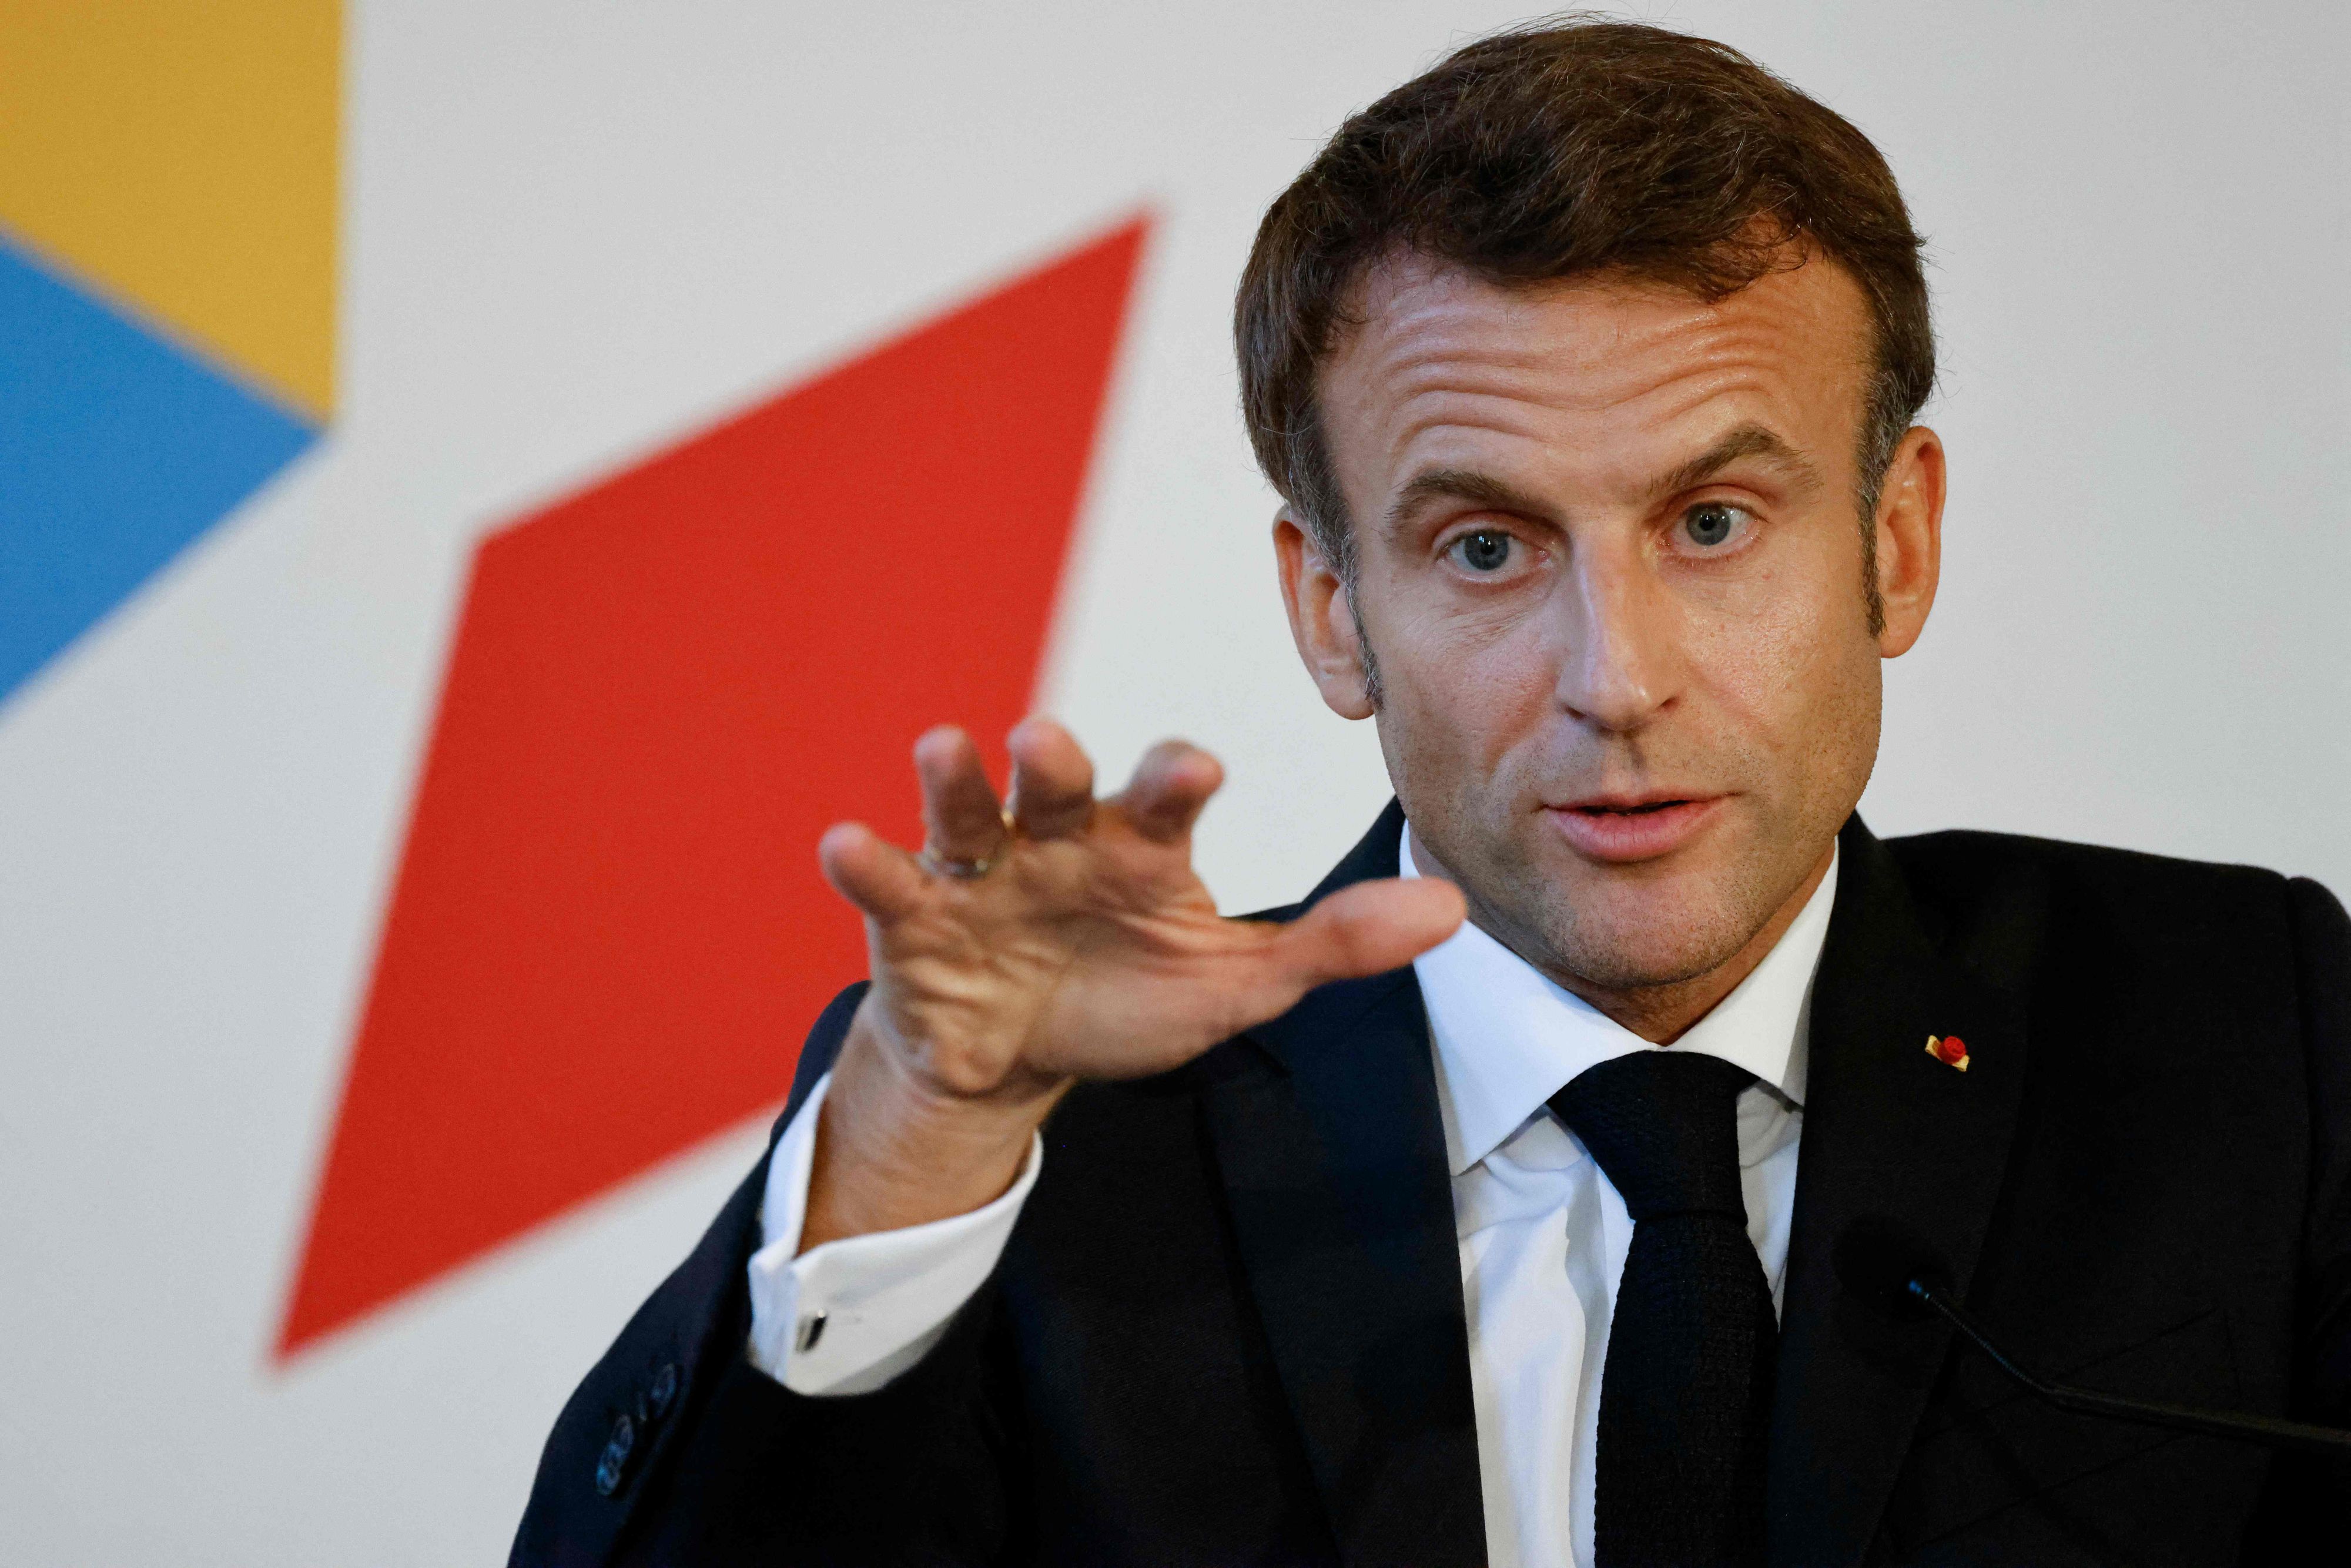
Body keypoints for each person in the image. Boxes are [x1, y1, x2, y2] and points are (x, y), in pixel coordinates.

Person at [512, 19, 2351, 1567]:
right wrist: (918, 1141)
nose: (1615, 676)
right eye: (1485, 547)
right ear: (1333, 609)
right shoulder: (1033, 1136)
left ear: (1895, 543)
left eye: (1713, 523)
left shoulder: (2246, 1026)